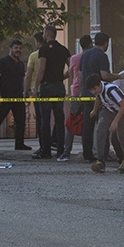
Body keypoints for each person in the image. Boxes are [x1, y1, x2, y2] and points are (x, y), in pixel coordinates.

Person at [80, 32, 124, 163]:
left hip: (87, 93)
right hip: (103, 94)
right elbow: (104, 75)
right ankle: (104, 155)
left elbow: (80, 74)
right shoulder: (102, 56)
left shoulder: (85, 55)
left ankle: (89, 154)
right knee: (105, 127)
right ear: (106, 43)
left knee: (89, 126)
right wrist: (118, 77)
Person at [0, 39, 31, 152]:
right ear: (10, 49)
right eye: (16, 48)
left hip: (18, 97)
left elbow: (23, 79)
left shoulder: (20, 64)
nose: (18, 50)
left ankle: (19, 144)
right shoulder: (3, 62)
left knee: (21, 121)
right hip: (5, 97)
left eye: (20, 48)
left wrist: (25, 92)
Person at [33, 25, 71, 160]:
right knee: (59, 119)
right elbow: (71, 68)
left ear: (47, 34)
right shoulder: (63, 50)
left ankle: (46, 151)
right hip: (59, 87)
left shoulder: (43, 50)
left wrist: (35, 86)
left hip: (47, 86)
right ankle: (60, 150)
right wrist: (62, 77)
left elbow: (41, 69)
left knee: (45, 119)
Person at [58, 34, 93, 161]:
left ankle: (67, 152)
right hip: (89, 93)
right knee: (89, 122)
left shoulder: (74, 58)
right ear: (90, 44)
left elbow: (72, 73)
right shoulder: (91, 57)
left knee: (72, 121)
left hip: (76, 92)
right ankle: (89, 151)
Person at [22, 32, 46, 149]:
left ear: (38, 42)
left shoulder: (33, 56)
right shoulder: (52, 53)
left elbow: (29, 75)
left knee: (41, 119)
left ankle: (43, 146)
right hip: (52, 89)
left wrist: (25, 91)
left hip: (38, 91)